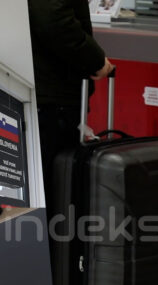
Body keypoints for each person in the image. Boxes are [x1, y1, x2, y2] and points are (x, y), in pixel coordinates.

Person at [27, 0, 113, 214]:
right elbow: (53, 19)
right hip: (52, 96)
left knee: (38, 192)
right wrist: (95, 60)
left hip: (36, 89)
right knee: (54, 194)